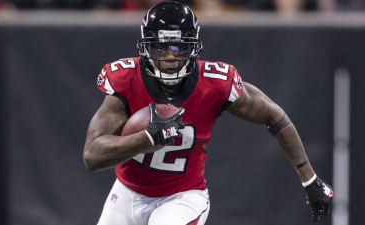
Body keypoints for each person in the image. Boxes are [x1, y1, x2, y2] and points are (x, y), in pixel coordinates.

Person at [83, 1, 333, 225]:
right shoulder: (126, 80)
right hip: (129, 191)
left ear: (194, 48)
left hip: (181, 197)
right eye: (161, 48)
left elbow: (275, 117)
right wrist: (148, 138)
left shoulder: (215, 82)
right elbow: (92, 156)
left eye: (178, 48)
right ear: (146, 48)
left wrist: (309, 179)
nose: (170, 57)